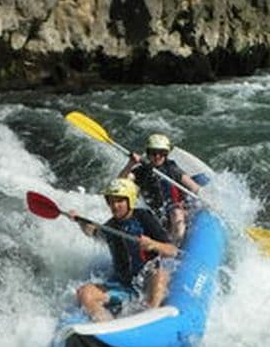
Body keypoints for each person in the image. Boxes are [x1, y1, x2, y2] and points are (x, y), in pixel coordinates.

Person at [69, 178, 178, 321]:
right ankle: (107, 325)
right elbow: (92, 231)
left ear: (130, 200)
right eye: (111, 201)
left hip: (147, 283)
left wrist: (153, 244)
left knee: (160, 275)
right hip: (123, 286)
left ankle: (149, 319)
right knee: (85, 293)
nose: (115, 205)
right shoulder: (111, 227)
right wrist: (78, 220)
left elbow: (172, 250)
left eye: (120, 201)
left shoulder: (144, 217)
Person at [119, 133, 202, 244]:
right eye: (153, 153)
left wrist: (198, 202)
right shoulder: (141, 171)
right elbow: (120, 183)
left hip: (177, 208)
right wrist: (130, 164)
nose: (157, 156)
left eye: (162, 153)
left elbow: (194, 187)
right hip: (156, 213)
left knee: (176, 213)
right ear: (148, 153)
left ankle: (174, 247)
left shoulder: (171, 168)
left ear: (166, 154)